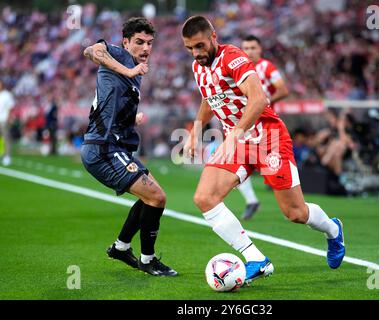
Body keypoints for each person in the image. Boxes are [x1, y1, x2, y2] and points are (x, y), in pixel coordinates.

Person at [181, 16, 345, 284]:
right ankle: (256, 259)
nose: (196, 54)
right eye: (189, 48)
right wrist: (194, 132)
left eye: (199, 46)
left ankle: (333, 229)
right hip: (239, 143)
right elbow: (209, 99)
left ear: (213, 36)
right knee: (205, 197)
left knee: (296, 213)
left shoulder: (232, 57)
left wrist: (234, 133)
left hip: (268, 139)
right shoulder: (198, 67)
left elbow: (259, 99)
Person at [80, 17, 177, 276]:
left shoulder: (134, 71)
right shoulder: (120, 57)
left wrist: (131, 117)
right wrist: (129, 71)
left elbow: (105, 104)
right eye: (139, 42)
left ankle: (122, 247)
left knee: (152, 198)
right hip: (103, 149)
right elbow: (91, 50)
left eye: (150, 43)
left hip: (114, 147)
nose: (146, 48)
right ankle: (148, 259)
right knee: (157, 197)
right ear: (126, 42)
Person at [236, 35, 290, 220]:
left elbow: (283, 89)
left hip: (266, 125)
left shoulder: (266, 67)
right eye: (246, 48)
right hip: (246, 125)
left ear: (260, 49)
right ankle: (251, 200)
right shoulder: (239, 69)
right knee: (237, 162)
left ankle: (291, 206)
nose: (249, 51)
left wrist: (264, 102)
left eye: (253, 47)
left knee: (274, 171)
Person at [0, 79, 15, 166]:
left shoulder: (7, 95)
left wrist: (9, 118)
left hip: (4, 119)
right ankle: (1, 154)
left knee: (6, 138)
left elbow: (11, 107)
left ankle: (7, 157)